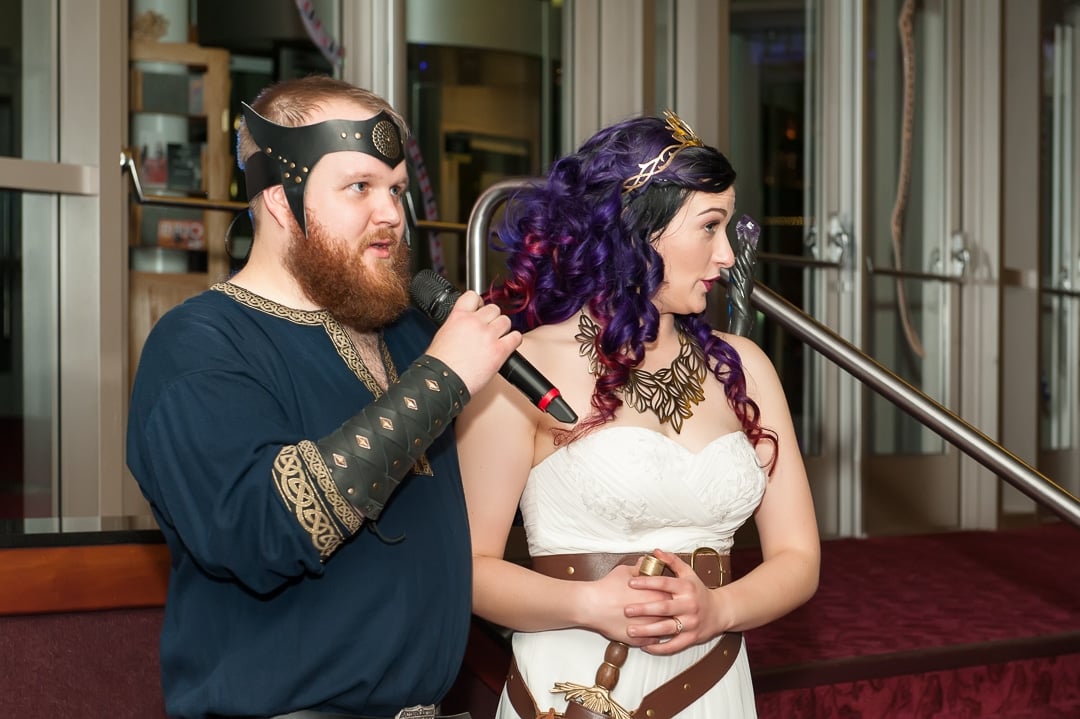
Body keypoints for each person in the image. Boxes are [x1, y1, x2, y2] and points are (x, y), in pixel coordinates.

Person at [126, 75, 521, 719]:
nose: (392, 211)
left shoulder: (411, 333)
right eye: (359, 187)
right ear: (281, 201)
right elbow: (264, 532)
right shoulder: (199, 344)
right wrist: (443, 377)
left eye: (395, 188)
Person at [456, 111, 820, 718]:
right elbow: (466, 569)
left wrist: (720, 611)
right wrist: (590, 606)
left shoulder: (747, 368)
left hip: (716, 684)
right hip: (573, 685)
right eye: (709, 226)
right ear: (637, 230)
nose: (728, 254)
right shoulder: (521, 367)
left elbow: (799, 559)